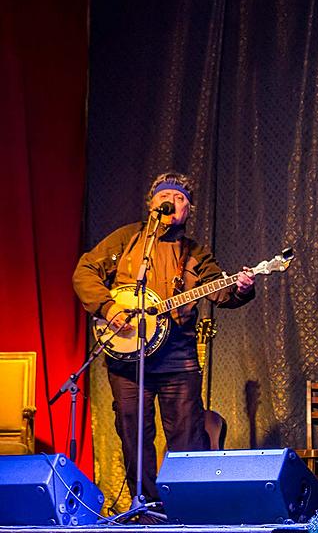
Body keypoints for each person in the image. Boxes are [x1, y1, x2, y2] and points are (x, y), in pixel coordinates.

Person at [73, 172, 255, 502]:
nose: (170, 201)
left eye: (180, 197)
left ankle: (192, 504)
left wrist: (241, 288)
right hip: (128, 359)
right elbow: (85, 270)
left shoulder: (196, 253)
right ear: (151, 204)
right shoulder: (127, 240)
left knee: (187, 435)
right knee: (133, 435)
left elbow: (221, 292)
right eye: (163, 196)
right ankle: (145, 506)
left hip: (178, 357)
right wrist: (109, 307)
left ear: (188, 209)